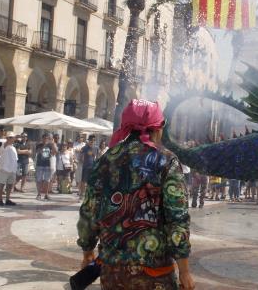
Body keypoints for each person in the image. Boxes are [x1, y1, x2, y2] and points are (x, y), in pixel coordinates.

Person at [77, 99, 194, 289]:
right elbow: (177, 218)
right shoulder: (166, 161)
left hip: (112, 271)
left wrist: (87, 252)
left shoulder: (106, 160)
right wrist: (185, 270)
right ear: (156, 128)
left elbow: (89, 211)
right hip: (154, 273)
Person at [0, 132, 18, 206]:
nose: (13, 139)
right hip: (4, 169)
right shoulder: (4, 145)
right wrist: (8, 138)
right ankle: (0, 200)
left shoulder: (13, 147)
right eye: (11, 138)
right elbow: (6, 142)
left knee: (9, 185)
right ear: (7, 138)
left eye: (12, 138)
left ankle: (7, 199)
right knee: (2, 184)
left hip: (12, 170)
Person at [35, 133, 56, 201]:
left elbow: (54, 152)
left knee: (47, 180)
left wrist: (53, 144)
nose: (46, 140)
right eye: (44, 138)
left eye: (47, 138)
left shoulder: (50, 145)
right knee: (39, 180)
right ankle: (39, 194)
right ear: (42, 139)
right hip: (40, 165)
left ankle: (46, 194)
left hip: (47, 165)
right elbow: (39, 152)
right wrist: (45, 145)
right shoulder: (39, 145)